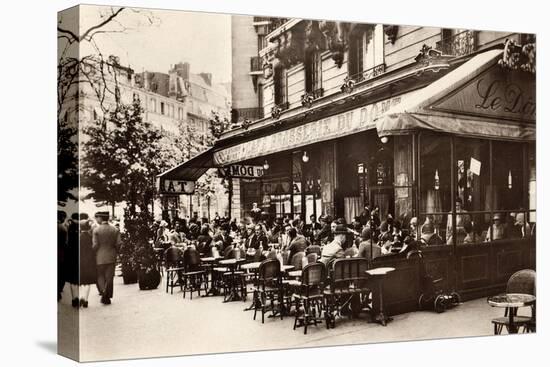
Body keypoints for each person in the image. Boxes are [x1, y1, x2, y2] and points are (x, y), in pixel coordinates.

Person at [92, 211, 122, 305]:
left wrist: (94, 252)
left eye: (97, 218)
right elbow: (119, 244)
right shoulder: (115, 230)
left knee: (100, 275)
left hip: (99, 256)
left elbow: (95, 245)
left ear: (100, 218)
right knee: (109, 277)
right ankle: (107, 295)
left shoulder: (96, 230)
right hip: (111, 256)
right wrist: (115, 251)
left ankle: (103, 292)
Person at [79, 217, 97, 308]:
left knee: (81, 281)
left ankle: (81, 296)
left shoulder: (78, 238)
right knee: (88, 282)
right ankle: (85, 300)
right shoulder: (91, 237)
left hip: (80, 262)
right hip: (89, 262)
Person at [66, 213, 81, 307]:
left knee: (72, 280)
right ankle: (79, 297)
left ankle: (74, 298)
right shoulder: (82, 228)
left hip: (71, 257)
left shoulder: (69, 228)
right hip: (80, 256)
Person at [57, 210, 68, 302]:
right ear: (62, 218)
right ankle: (58, 290)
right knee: (61, 273)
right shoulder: (63, 228)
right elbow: (65, 243)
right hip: (60, 253)